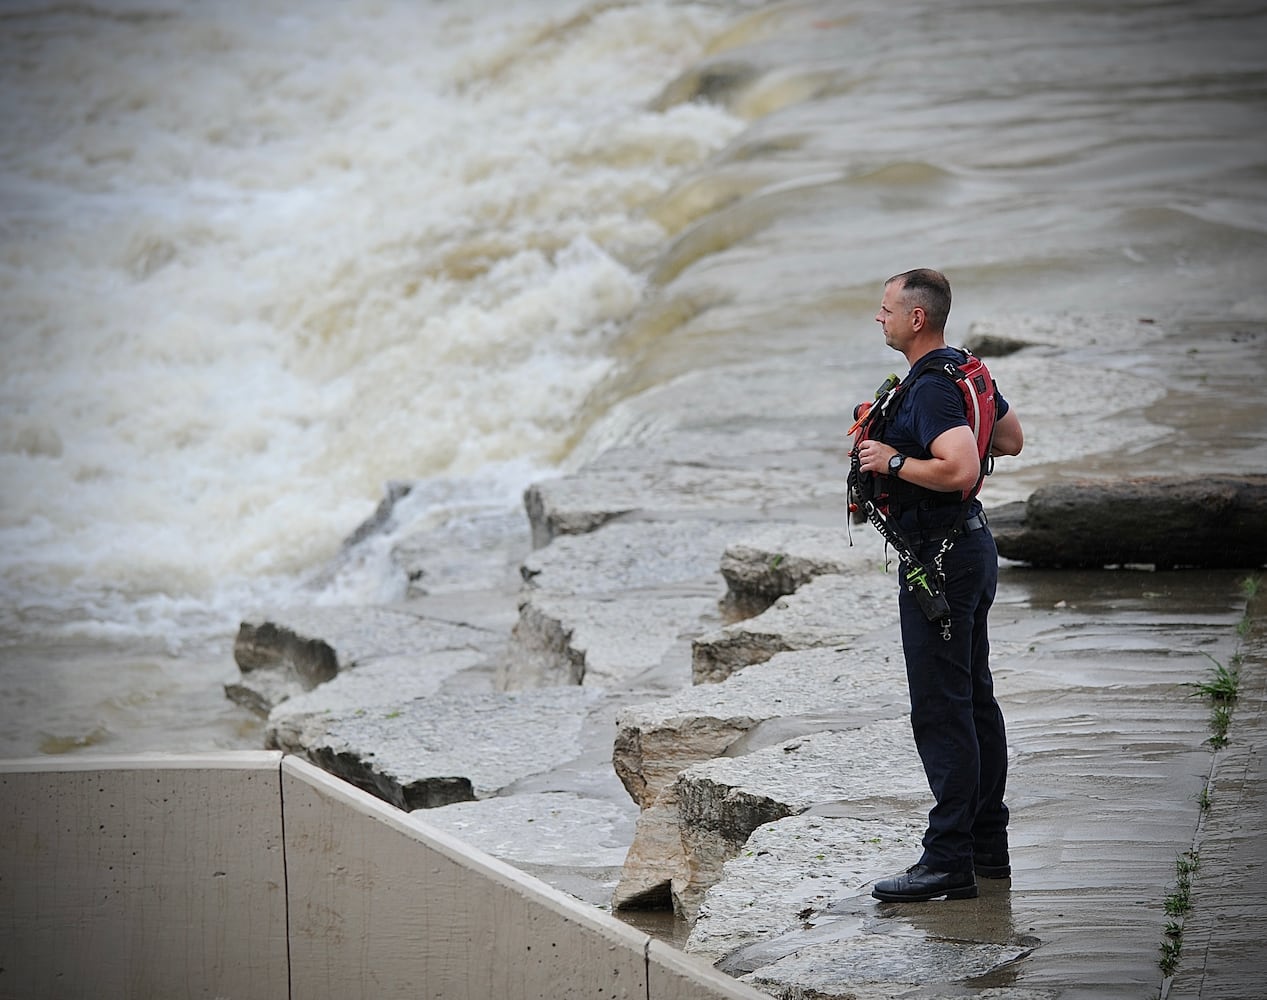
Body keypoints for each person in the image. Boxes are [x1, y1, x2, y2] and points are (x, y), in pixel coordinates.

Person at [853, 268, 1024, 902]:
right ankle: (987, 849)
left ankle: (947, 860)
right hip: (972, 547)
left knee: (943, 709)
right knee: (974, 699)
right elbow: (1009, 438)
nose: (880, 317)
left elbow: (960, 467)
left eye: (887, 308)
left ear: (916, 318)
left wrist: (892, 460)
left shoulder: (929, 387)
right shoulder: (965, 370)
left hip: (941, 560)